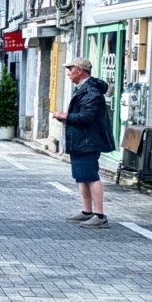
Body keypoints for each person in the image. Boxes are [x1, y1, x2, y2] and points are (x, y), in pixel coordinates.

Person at [52, 57, 115, 229]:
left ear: (79, 70)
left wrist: (65, 116)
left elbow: (87, 117)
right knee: (82, 177)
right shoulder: (84, 89)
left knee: (91, 177)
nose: (68, 73)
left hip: (88, 140)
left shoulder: (91, 91)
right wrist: (65, 118)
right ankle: (87, 211)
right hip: (81, 140)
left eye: (70, 69)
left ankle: (100, 215)